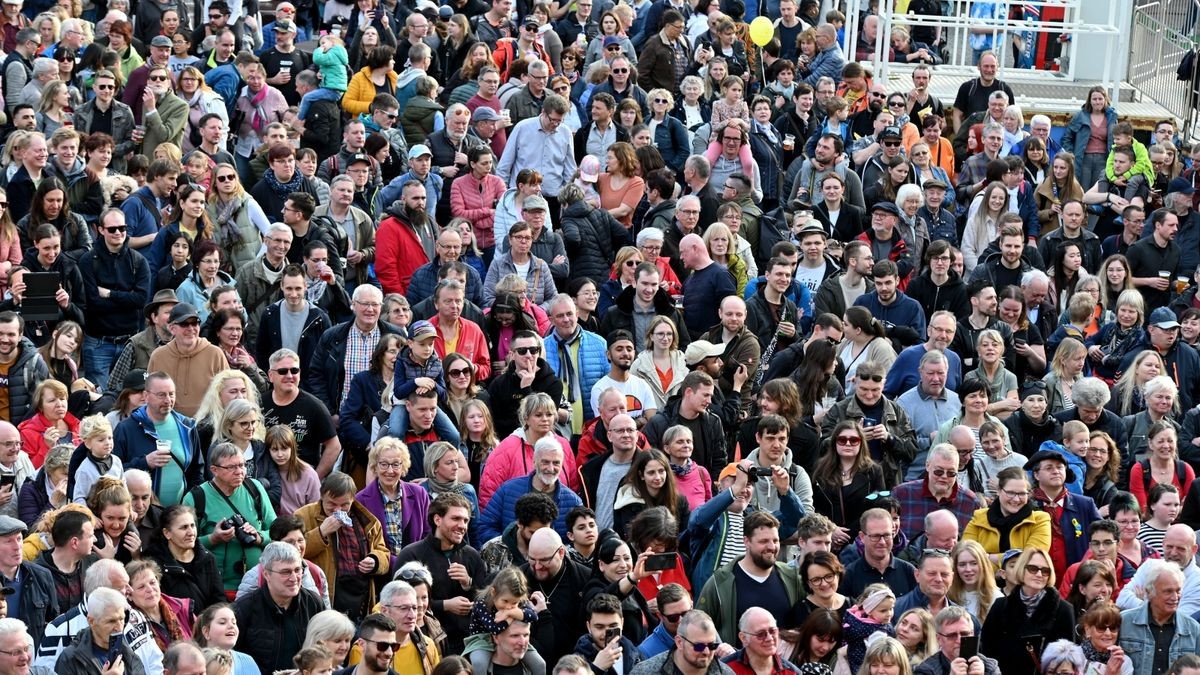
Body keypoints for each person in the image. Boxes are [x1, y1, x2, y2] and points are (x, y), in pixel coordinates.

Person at [233, 541, 324, 673]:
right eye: (285, 572)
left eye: (298, 570)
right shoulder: (244, 609)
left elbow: (325, 649)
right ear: (266, 574)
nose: (294, 578)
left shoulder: (313, 603)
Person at [1117, 560, 1200, 675]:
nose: (1175, 597)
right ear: (1149, 592)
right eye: (1168, 591)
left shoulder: (1193, 629)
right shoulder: (1124, 622)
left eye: (1178, 591)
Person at [54, 588, 148, 675]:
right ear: (91, 621)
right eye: (111, 621)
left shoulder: (129, 654)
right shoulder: (69, 659)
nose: (119, 627)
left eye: (121, 619)